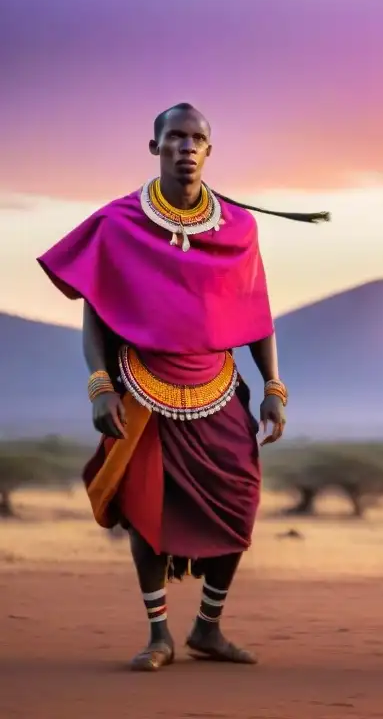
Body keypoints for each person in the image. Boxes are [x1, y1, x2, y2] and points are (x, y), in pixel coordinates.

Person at [37, 103, 329, 672]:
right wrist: (99, 385)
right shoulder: (117, 223)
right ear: (155, 146)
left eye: (197, 138)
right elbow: (96, 312)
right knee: (146, 510)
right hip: (142, 390)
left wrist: (273, 384)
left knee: (239, 505)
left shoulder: (239, 228)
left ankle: (208, 628)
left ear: (210, 151)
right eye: (175, 137)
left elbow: (256, 311)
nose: (186, 147)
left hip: (219, 388)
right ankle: (158, 634)